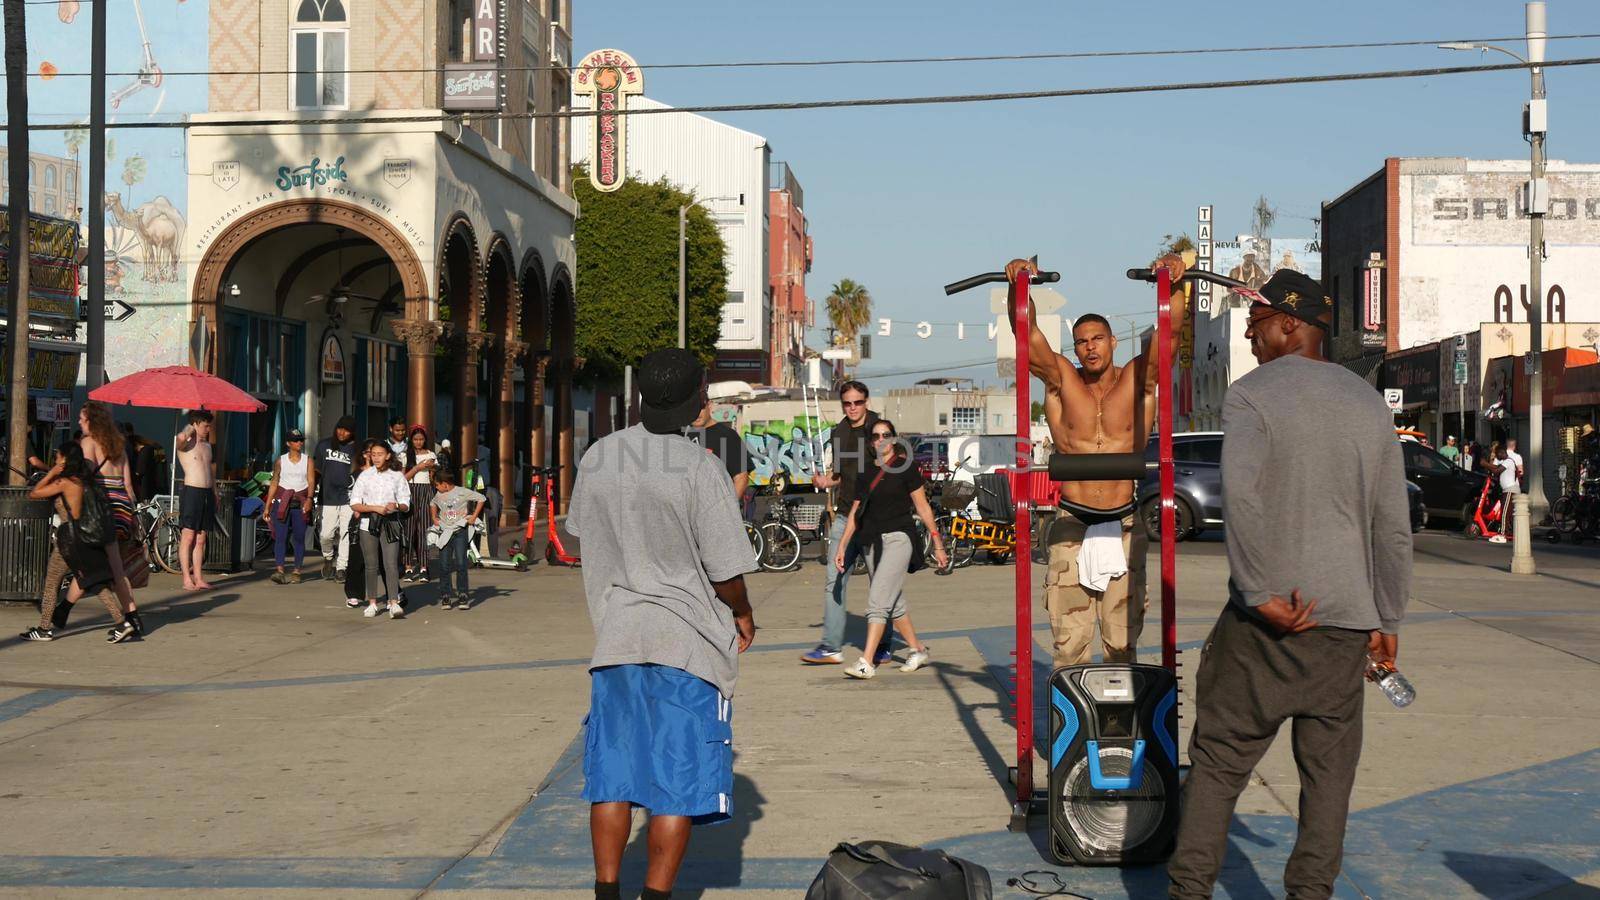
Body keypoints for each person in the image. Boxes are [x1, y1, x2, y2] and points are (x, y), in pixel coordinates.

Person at [1167, 270, 1412, 900]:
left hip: (1266, 626)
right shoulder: (1367, 402)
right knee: (1328, 779)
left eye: (1256, 321)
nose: (1249, 331)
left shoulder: (1252, 396)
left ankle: (1188, 892)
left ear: (1291, 324)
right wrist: (1387, 619)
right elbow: (1393, 524)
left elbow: (1240, 497)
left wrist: (1257, 591)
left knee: (1220, 767)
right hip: (1344, 628)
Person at [568, 347, 757, 900]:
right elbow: (726, 570)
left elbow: (581, 531)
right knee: (675, 790)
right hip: (686, 645)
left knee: (613, 780)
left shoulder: (600, 456)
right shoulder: (701, 468)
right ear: (694, 399)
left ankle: (606, 893)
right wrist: (743, 614)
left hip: (618, 637)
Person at [1004, 254, 1185, 668]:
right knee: (1070, 647)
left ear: (1113, 341)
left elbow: (1171, 332)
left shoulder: (1140, 381)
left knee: (1122, 646)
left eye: (1097, 339)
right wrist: (1022, 288)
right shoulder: (1061, 380)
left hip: (1124, 523)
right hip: (1071, 522)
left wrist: (1174, 282)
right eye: (1082, 341)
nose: (1089, 347)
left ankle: (1122, 731)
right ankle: (1069, 732)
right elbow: (1027, 335)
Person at [832, 419, 945, 678]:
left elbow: (923, 506)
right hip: (871, 542)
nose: (880, 439)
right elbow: (855, 512)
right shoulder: (865, 471)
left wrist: (937, 542)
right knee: (892, 601)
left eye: (885, 435)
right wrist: (842, 545)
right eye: (875, 436)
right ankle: (917, 649)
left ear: (894, 438)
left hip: (899, 539)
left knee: (877, 601)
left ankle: (866, 662)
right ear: (871, 442)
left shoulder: (906, 468)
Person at [801, 381, 887, 665]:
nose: (852, 408)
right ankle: (831, 646)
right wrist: (827, 481)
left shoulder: (878, 428)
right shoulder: (838, 431)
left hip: (874, 516)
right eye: (847, 404)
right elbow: (840, 475)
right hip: (844, 515)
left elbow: (892, 469)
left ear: (866, 401)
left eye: (858, 403)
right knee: (834, 580)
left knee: (880, 582)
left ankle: (883, 646)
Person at [22, 442, 138, 644]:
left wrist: (52, 473)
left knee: (52, 583)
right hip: (87, 538)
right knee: (94, 581)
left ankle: (44, 629)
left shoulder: (65, 482)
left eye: (58, 456)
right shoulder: (86, 480)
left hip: (70, 538)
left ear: (66, 459)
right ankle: (122, 623)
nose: (56, 459)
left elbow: (33, 493)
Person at [80, 400, 144, 633]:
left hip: (102, 505)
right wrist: (133, 515)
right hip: (123, 506)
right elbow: (127, 484)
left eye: (82, 418)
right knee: (116, 566)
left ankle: (125, 619)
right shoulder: (118, 444)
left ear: (91, 421)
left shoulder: (88, 443)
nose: (79, 422)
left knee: (88, 563)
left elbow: (85, 475)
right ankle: (133, 616)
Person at [349, 439, 410, 619]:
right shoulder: (365, 475)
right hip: (368, 523)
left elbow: (407, 503)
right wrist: (375, 508)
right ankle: (372, 603)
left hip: (390, 523)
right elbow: (354, 503)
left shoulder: (397, 476)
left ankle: (393, 603)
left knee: (390, 564)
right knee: (371, 565)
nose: (376, 458)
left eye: (380, 454)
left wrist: (397, 506)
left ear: (388, 455)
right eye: (373, 454)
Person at [264, 428, 316, 584]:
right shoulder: (280, 461)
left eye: (301, 440)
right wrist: (268, 505)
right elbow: (274, 482)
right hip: (282, 502)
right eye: (296, 440)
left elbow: (311, 481)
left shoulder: (308, 460)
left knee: (299, 537)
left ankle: (297, 570)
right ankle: (279, 570)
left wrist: (309, 499)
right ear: (288, 443)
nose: (299, 443)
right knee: (280, 537)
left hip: (300, 501)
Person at [429, 466, 485, 610]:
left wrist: (474, 516)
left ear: (445, 484)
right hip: (445, 532)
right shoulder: (438, 494)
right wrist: (434, 517)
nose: (436, 487)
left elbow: (481, 498)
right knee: (444, 565)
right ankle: (446, 595)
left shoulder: (462, 492)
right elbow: (432, 503)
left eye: (437, 485)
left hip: (460, 530)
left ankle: (463, 594)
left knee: (461, 563)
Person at [175, 410, 218, 592]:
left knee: (201, 538)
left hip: (207, 492)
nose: (208, 429)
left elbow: (210, 472)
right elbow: (180, 439)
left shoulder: (207, 447)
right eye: (205, 425)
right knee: (188, 536)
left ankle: (199, 577)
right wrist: (189, 428)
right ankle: (186, 578)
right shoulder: (185, 444)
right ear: (195, 425)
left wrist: (215, 492)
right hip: (191, 491)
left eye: (209, 425)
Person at [315, 416, 359, 580]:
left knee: (346, 533)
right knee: (326, 535)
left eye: (347, 430)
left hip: (349, 498)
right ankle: (328, 558)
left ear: (352, 432)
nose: (342, 432)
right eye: (340, 428)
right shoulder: (324, 445)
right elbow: (316, 470)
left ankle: (341, 567)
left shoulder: (356, 449)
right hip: (327, 498)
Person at [686, 400, 753, 501]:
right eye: (691, 409)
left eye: (700, 408)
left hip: (716, 508)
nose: (696, 413)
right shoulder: (680, 436)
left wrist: (727, 509)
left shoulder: (728, 435)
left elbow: (741, 479)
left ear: (710, 405)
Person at [401, 425, 438, 581]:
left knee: (423, 530)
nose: (418, 442)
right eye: (415, 439)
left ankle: (424, 567)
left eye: (421, 439)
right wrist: (418, 467)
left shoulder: (431, 454)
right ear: (411, 440)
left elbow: (434, 478)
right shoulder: (405, 455)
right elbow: (403, 479)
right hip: (410, 491)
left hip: (426, 491)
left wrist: (432, 468)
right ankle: (408, 566)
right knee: (408, 529)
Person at [123, 423, 164, 502]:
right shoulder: (158, 448)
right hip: (159, 487)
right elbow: (162, 469)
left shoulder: (144, 451)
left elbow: (139, 471)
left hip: (145, 490)